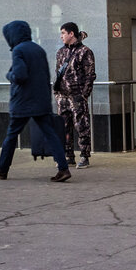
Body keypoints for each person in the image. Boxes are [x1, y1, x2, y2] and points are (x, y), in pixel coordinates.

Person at [0, 20, 72, 183]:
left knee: (11, 135)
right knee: (51, 134)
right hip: (41, 100)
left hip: (23, 102)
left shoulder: (18, 50)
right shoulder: (38, 49)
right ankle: (63, 168)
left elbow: (20, 75)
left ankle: (2, 168)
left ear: (13, 35)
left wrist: (8, 75)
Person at [54, 22, 96, 169]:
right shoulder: (60, 52)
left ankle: (84, 155)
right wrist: (57, 93)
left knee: (81, 126)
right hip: (62, 97)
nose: (61, 36)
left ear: (71, 34)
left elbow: (90, 75)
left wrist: (84, 95)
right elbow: (57, 73)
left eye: (63, 33)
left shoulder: (85, 52)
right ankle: (68, 155)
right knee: (64, 127)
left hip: (77, 96)